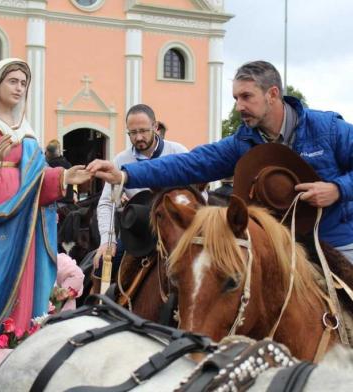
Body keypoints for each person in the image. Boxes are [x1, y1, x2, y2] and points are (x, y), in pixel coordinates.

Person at [87, 60, 353, 263]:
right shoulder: (243, 142)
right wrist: (124, 175)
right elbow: (189, 164)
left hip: (335, 242)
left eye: (246, 96)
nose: (238, 106)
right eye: (236, 97)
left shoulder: (326, 128)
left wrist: (337, 190)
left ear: (272, 94)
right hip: (276, 247)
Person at [0, 58, 91, 345]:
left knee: (23, 286)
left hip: (24, 223)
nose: (19, 88)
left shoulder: (27, 133)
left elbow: (38, 177)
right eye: (13, 81)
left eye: (24, 83)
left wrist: (65, 176)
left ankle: (12, 341)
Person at [93, 104, 188, 273]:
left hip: (176, 228)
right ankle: (100, 299)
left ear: (155, 127)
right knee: (102, 266)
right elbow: (106, 202)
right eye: (133, 133)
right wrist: (108, 241)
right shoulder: (120, 160)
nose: (138, 137)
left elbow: (198, 192)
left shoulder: (178, 152)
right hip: (138, 231)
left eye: (143, 131)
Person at [45, 139, 76, 204]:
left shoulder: (48, 166)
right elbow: (74, 182)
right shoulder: (68, 164)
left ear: (48, 153)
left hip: (56, 203)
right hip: (69, 202)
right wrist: (74, 193)